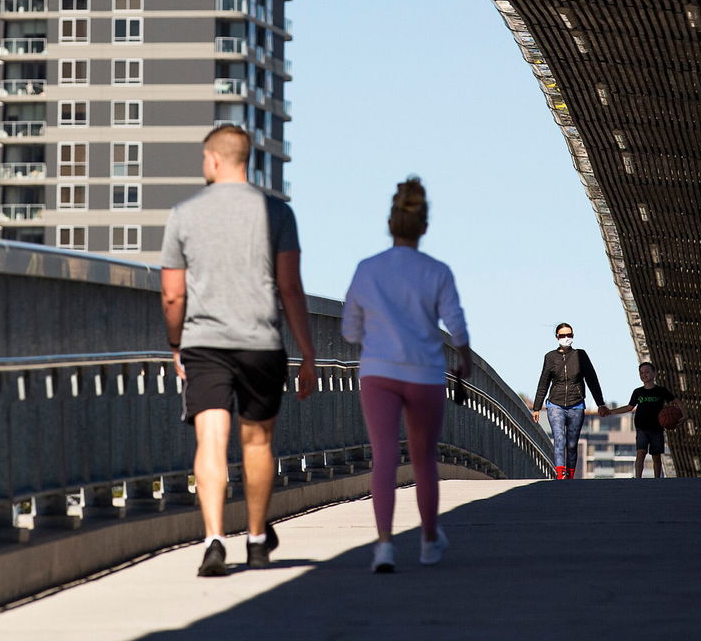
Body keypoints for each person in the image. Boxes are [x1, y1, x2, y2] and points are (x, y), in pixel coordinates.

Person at [160, 125, 318, 577]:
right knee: (258, 441)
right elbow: (290, 287)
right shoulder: (277, 214)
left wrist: (176, 344)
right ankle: (254, 539)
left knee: (210, 439)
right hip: (260, 342)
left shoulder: (184, 214)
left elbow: (172, 294)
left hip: (204, 343)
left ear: (212, 160)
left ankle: (213, 539)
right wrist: (306, 352)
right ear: (246, 160)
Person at [342, 177, 470, 573]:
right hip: (426, 373)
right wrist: (462, 357)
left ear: (389, 223)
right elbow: (456, 324)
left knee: (383, 456)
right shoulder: (438, 271)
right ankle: (429, 540)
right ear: (424, 227)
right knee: (424, 459)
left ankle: (383, 546)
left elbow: (349, 330)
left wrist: (374, 335)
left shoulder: (368, 269)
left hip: (378, 371)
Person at [530, 324, 607, 480]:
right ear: (557, 338)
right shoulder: (550, 357)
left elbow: (592, 379)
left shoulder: (581, 355)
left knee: (572, 444)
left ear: (573, 335)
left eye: (568, 335)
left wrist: (600, 403)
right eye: (562, 336)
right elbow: (543, 382)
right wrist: (537, 407)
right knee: (559, 439)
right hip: (555, 404)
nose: (566, 338)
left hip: (576, 404)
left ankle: (570, 476)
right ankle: (560, 474)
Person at [606, 362, 685, 478]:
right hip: (642, 428)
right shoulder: (638, 392)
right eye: (641, 373)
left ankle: (657, 479)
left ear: (654, 374)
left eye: (647, 372)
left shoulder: (661, 391)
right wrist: (610, 412)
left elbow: (676, 401)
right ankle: (638, 478)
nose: (644, 375)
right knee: (640, 453)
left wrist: (685, 414)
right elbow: (629, 407)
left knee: (656, 456)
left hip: (657, 428)